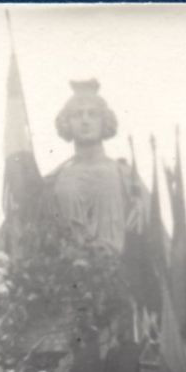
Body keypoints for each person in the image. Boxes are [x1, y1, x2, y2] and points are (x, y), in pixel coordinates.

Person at [46, 80, 149, 255]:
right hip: (66, 276)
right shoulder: (57, 179)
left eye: (92, 114)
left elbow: (149, 228)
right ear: (67, 123)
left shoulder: (124, 175)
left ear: (104, 121)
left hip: (117, 273)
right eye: (77, 115)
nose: (85, 120)